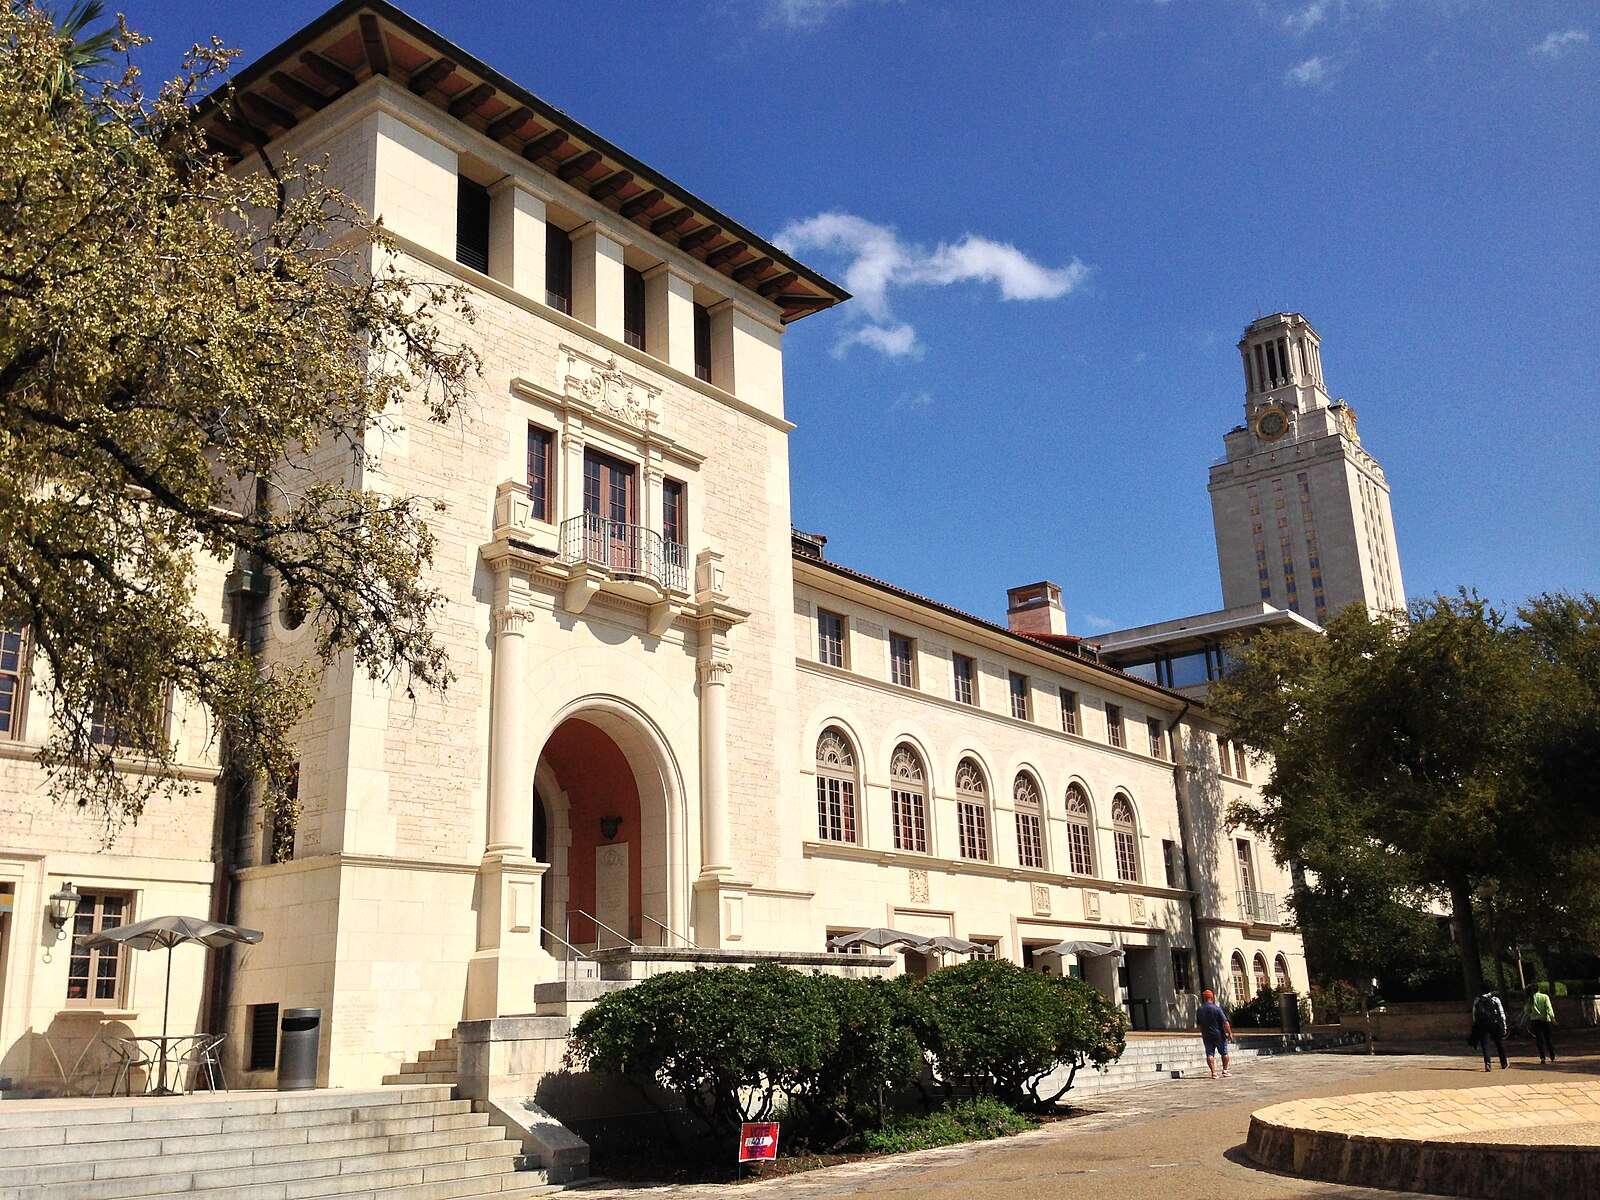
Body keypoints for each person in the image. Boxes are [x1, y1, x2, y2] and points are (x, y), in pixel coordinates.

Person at [1197, 987, 1234, 1079]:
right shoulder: (1217, 1009)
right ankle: (1225, 1070)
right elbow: (1225, 1022)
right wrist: (1230, 1033)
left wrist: (1202, 1033)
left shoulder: (1200, 1010)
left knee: (1209, 1054)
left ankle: (1213, 1072)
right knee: (1224, 1053)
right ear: (1212, 997)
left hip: (1207, 1035)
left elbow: (1200, 1024)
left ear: (1204, 998)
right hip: (1219, 1034)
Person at [1471, 985, 1508, 1071]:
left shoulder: (1477, 1000)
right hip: (1494, 1024)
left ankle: (1487, 1063)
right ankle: (1504, 1063)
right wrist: (1504, 1026)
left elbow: (1474, 1014)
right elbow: (1502, 1014)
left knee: (1485, 1045)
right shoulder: (1495, 999)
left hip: (1483, 1025)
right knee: (1499, 1043)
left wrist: (1476, 1024)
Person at [1525, 984, 1558, 1065]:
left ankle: (1542, 1057)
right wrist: (1552, 1018)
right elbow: (1548, 1008)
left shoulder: (1530, 999)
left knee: (1539, 1040)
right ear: (1538, 989)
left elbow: (1526, 1011)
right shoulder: (1545, 997)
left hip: (1535, 1021)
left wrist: (1531, 1014)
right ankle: (1552, 1055)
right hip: (1545, 1020)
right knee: (1548, 1039)